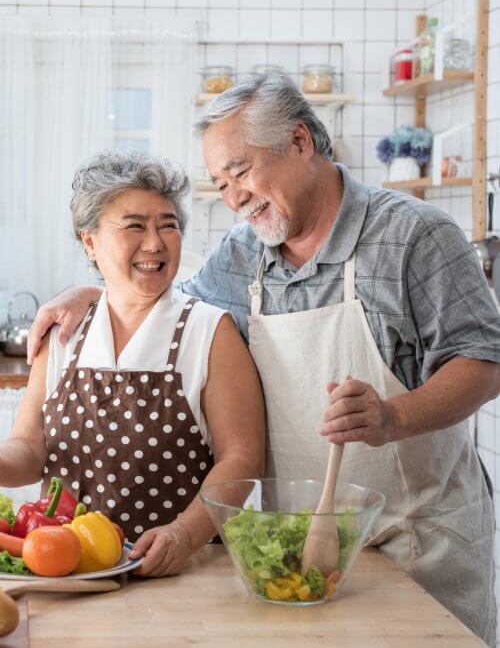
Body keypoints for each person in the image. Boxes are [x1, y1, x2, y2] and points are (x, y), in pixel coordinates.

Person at [28, 73, 500, 644]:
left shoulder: (415, 235)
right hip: (298, 545)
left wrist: (392, 418)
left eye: (241, 171)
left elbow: (485, 359)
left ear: (301, 143)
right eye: (220, 183)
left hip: (417, 538)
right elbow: (166, 299)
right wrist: (96, 291)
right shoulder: (244, 250)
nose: (234, 198)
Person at [6, 150, 265, 577]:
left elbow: (243, 458)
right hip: (68, 571)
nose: (155, 242)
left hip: (182, 572)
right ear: (89, 242)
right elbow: (31, 448)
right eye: (134, 226)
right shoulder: (64, 335)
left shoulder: (209, 331)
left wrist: (183, 534)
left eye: (169, 225)